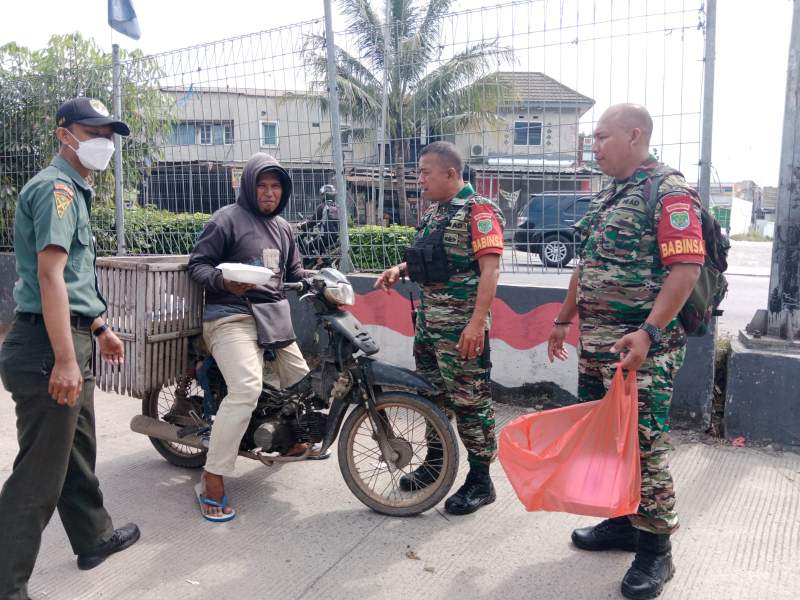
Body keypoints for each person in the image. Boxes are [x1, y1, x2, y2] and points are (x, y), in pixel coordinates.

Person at [548, 104, 704, 600]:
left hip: (641, 350)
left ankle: (656, 551)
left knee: (642, 446)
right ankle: (621, 522)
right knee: (605, 442)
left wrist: (649, 333)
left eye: (601, 137)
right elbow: (587, 264)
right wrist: (563, 319)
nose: (593, 147)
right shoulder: (609, 194)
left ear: (635, 136)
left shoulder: (669, 191)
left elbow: (686, 270)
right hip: (597, 345)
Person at [0, 97, 141, 600]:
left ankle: (94, 537)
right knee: (39, 476)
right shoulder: (57, 189)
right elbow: (49, 276)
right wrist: (64, 358)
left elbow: (74, 280)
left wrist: (99, 328)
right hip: (47, 347)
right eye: (94, 132)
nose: (105, 142)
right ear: (65, 135)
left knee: (77, 452)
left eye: (109, 134)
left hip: (70, 337)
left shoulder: (75, 190)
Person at [375, 141, 504, 515]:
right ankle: (435, 464)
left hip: (462, 329)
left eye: (425, 172)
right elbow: (433, 258)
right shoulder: (435, 213)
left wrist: (476, 324)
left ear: (451, 173)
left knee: (470, 401)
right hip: (430, 326)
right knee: (432, 398)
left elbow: (491, 270)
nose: (420, 179)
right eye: (419, 172)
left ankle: (481, 481)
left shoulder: (478, 210)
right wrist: (399, 270)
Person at [187, 153, 317, 522]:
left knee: (302, 383)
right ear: (248, 186)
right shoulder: (226, 219)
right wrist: (223, 281)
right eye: (262, 185)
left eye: (276, 186)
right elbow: (197, 265)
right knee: (246, 388)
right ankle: (212, 477)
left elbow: (294, 271)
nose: (269, 193)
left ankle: (284, 437)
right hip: (230, 316)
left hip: (273, 318)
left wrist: (320, 279)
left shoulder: (284, 228)